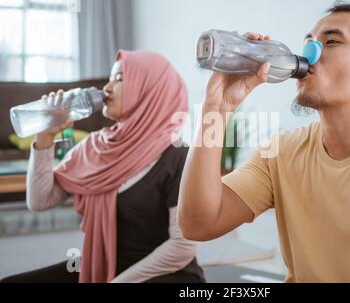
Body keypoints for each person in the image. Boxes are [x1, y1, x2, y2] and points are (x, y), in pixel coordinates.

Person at [178, 2, 350, 282]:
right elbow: (199, 224)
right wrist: (217, 106)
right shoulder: (281, 152)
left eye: (331, 41)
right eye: (308, 41)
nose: (309, 53)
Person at [2, 51, 205, 283]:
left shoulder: (177, 156)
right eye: (110, 78)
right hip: (101, 263)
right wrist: (45, 138)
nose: (107, 88)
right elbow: (39, 202)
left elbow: (181, 248)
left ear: (149, 90)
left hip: (166, 274)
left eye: (119, 78)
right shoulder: (93, 147)